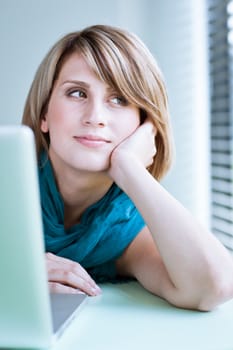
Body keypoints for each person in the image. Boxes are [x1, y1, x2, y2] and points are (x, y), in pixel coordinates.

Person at [22, 24, 233, 310]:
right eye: (77, 93)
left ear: (144, 126)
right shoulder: (8, 188)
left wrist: (130, 168)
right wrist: (13, 274)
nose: (95, 116)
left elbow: (214, 286)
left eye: (119, 99)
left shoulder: (123, 230)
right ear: (44, 114)